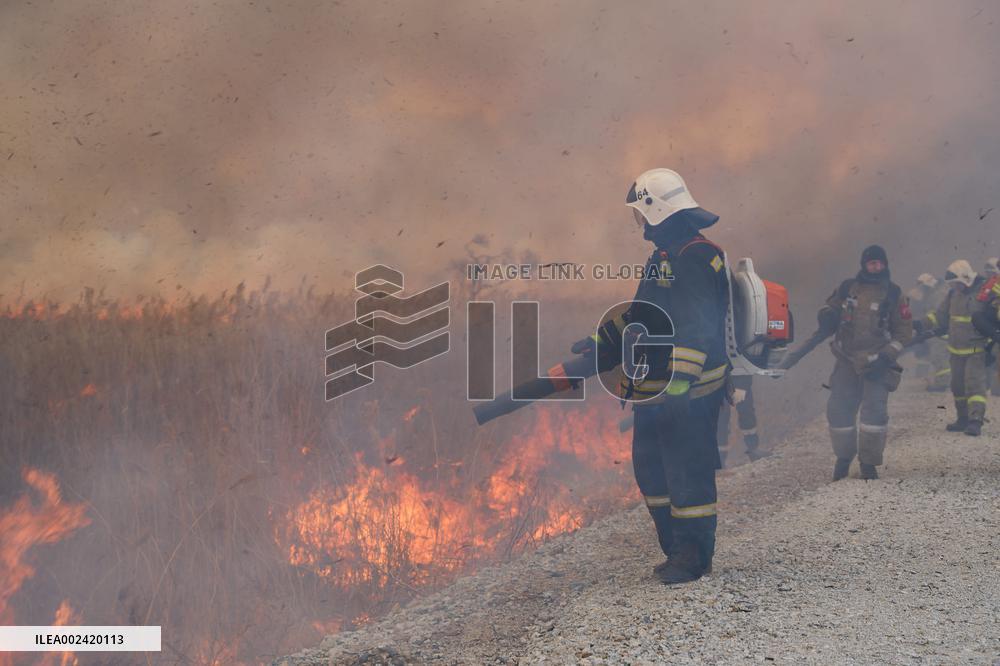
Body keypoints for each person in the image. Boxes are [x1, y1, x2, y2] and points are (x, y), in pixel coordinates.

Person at [574, 168, 729, 584]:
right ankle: (675, 548)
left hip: (691, 391)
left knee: (687, 472)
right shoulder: (666, 256)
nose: (639, 224)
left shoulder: (696, 257)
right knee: (652, 470)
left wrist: (680, 386)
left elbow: (698, 328)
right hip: (657, 387)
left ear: (656, 210)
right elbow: (642, 313)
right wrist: (600, 340)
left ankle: (694, 558)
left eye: (640, 214)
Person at [785, 245, 913, 480]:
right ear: (863, 265)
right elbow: (830, 308)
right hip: (846, 361)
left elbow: (904, 332)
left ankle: (868, 463)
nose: (875, 267)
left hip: (878, 363)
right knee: (838, 410)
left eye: (879, 263)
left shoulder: (894, 294)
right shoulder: (848, 288)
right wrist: (826, 315)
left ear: (885, 265)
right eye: (871, 263)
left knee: (874, 413)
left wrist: (886, 356)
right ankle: (844, 458)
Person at [922, 260, 991, 436]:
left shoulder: (983, 292)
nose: (955, 287)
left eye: (957, 283)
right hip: (956, 350)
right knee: (957, 386)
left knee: (974, 385)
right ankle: (962, 418)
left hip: (976, 349)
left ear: (965, 278)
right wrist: (919, 325)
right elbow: (940, 316)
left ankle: (975, 421)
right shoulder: (952, 294)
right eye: (952, 284)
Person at [716, 375, 768, 466]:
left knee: (746, 410)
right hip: (719, 377)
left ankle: (753, 449)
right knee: (721, 417)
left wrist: (744, 383)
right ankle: (720, 460)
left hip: (740, 376)